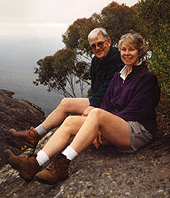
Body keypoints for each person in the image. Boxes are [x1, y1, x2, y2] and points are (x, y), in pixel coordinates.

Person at [4, 31, 160, 185]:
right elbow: (106, 101)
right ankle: (34, 164)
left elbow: (136, 111)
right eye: (124, 50)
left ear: (140, 52)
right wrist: (101, 126)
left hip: (137, 130)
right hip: (118, 126)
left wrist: (102, 126)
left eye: (131, 50)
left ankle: (63, 162)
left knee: (96, 113)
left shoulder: (147, 78)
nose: (127, 53)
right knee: (71, 121)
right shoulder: (119, 75)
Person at [8, 27, 123, 150]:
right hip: (101, 100)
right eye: (93, 46)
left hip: (112, 104)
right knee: (66, 103)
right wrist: (93, 103)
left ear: (108, 41)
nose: (97, 48)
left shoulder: (117, 58)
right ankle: (34, 134)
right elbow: (96, 87)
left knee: (74, 120)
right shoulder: (96, 60)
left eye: (100, 44)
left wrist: (93, 107)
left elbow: (109, 87)